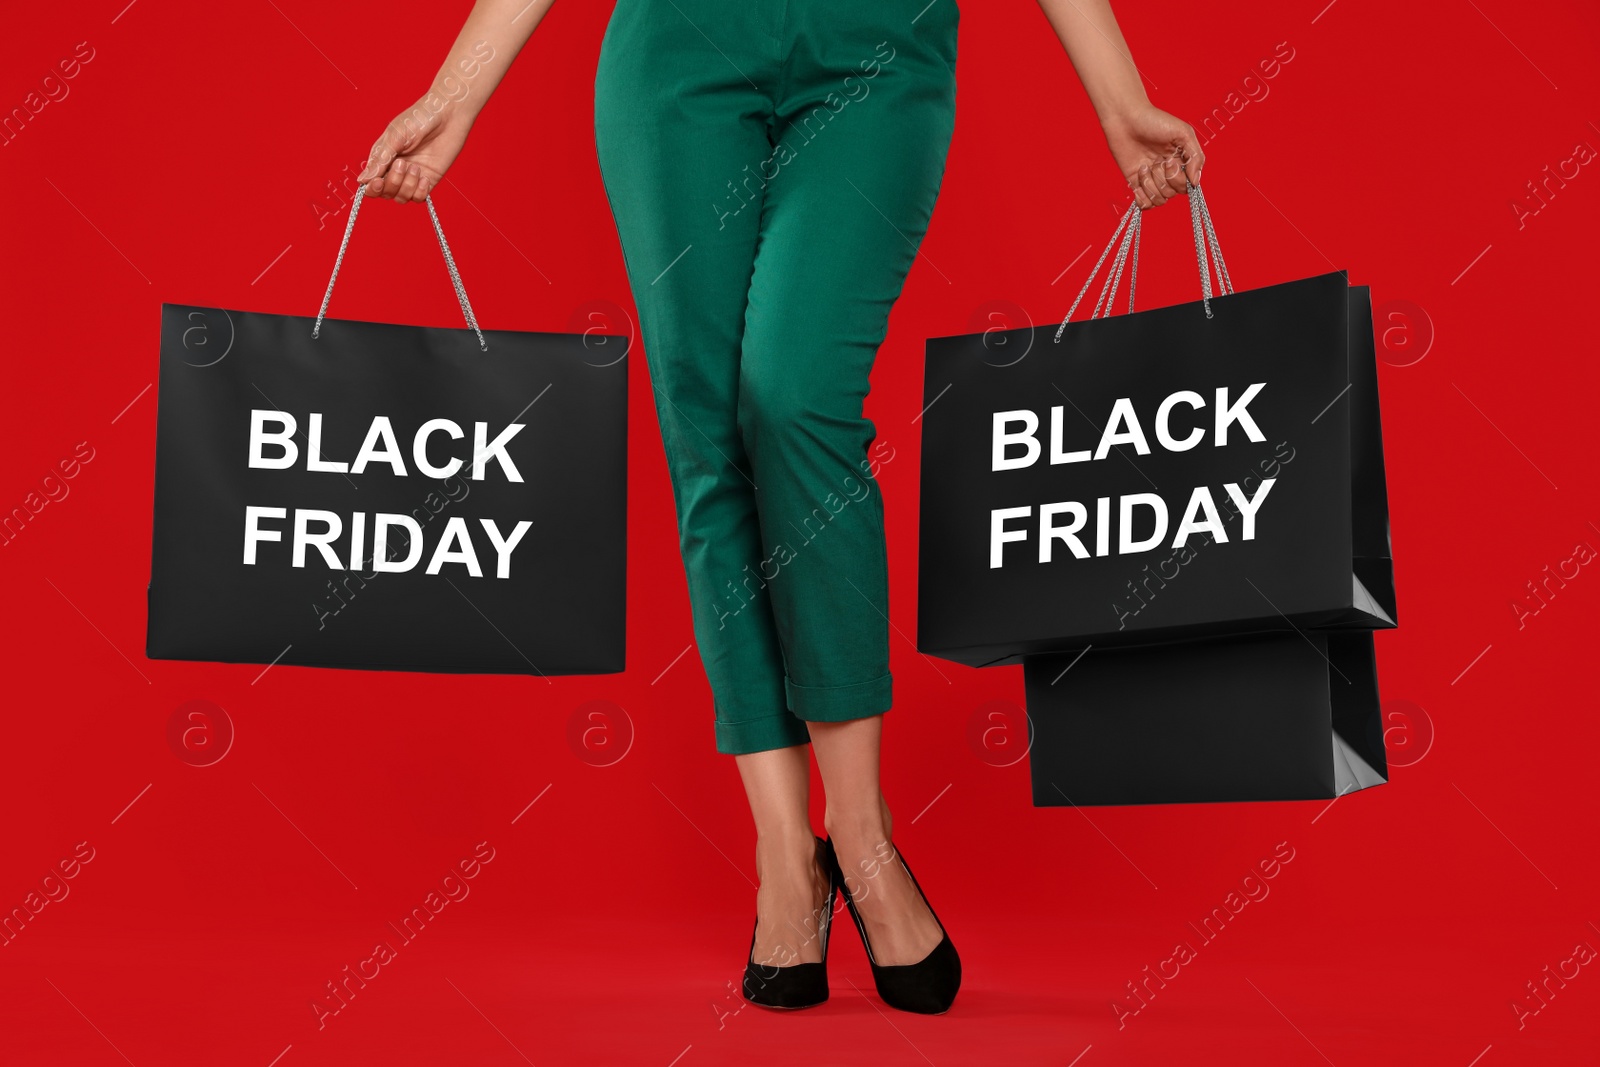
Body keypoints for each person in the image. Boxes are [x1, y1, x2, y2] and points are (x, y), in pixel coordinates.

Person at [356, 0, 1205, 1015]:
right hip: (676, 51)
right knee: (706, 431)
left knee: (794, 394)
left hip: (879, 50)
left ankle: (860, 833)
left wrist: (1118, 100)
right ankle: (782, 858)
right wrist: (452, 98)